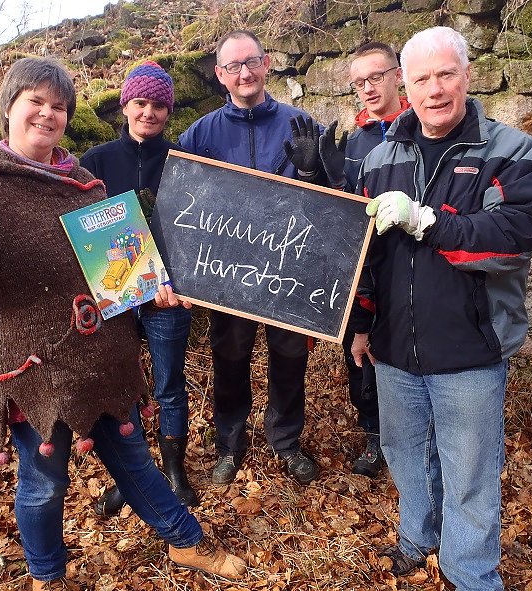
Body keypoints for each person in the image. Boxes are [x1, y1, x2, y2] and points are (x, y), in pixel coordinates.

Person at [0, 57, 246, 590]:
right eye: (36, 102)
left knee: (135, 463)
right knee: (44, 486)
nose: (48, 114)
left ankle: (185, 541)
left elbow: (120, 275)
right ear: (8, 109)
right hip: (35, 375)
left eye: (60, 106)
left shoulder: (83, 184)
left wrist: (152, 292)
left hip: (103, 366)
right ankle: (47, 575)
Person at [350, 27, 532, 589]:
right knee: (405, 452)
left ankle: (470, 572)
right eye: (422, 79)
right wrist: (361, 324)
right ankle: (418, 537)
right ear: (404, 86)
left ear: (467, 76)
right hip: (394, 346)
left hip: (470, 347)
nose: (434, 90)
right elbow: (366, 256)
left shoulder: (510, 150)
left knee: (469, 470)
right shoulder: (380, 158)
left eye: (445, 75)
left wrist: (428, 221)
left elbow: (516, 236)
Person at [178, 30, 322, 486]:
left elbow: (330, 202)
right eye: (233, 66)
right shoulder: (200, 134)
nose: (245, 73)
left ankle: (286, 440)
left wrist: (311, 169)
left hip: (287, 267)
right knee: (230, 356)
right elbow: (181, 201)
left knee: (290, 356)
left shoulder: (301, 124)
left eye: (252, 62)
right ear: (220, 75)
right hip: (228, 269)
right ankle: (230, 443)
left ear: (267, 64)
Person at [80, 61, 197, 518]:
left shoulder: (183, 162)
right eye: (141, 103)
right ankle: (130, 477)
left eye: (158, 106)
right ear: (126, 106)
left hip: (169, 295)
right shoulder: (97, 161)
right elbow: (83, 232)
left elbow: (198, 231)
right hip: (116, 297)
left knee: (169, 385)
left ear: (169, 112)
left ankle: (174, 471)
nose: (149, 113)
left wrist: (180, 285)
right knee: (121, 387)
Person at [312, 41, 411, 479]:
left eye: (376, 77)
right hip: (363, 271)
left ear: (398, 75)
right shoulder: (353, 141)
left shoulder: (420, 130)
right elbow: (340, 216)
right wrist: (326, 178)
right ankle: (374, 435)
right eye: (359, 82)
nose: (368, 88)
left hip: (410, 265)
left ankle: (412, 439)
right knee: (361, 358)